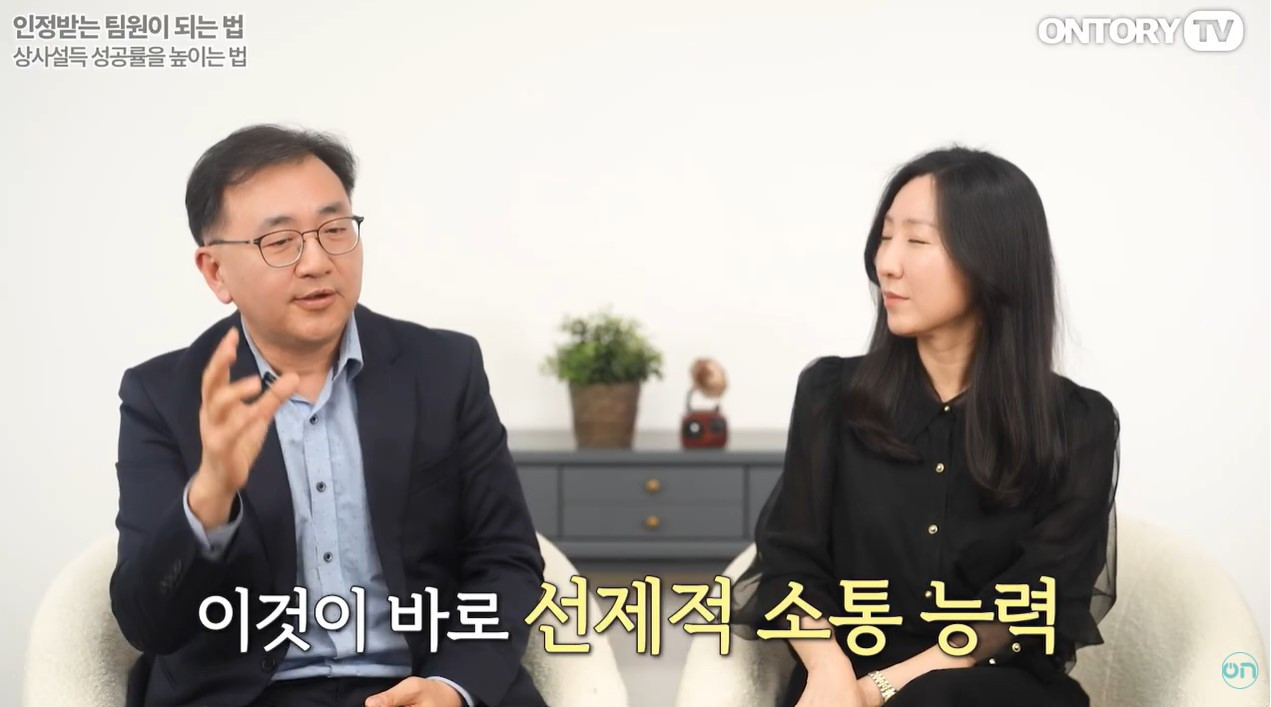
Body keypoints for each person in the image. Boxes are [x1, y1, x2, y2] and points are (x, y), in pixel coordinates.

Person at [110, 124, 548, 707]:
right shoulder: (164, 396)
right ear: (215, 271)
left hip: (421, 684)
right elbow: (147, 623)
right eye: (280, 241)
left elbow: (506, 560)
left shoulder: (444, 369)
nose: (317, 262)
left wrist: (452, 686)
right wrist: (209, 497)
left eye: (335, 229)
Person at [732, 146, 1119, 707]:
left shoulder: (1078, 423)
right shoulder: (830, 396)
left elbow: (1040, 596)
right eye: (885, 237)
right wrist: (829, 671)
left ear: (993, 260)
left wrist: (883, 689)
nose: (887, 263)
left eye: (916, 241)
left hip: (994, 689)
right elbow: (790, 562)